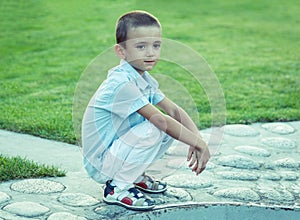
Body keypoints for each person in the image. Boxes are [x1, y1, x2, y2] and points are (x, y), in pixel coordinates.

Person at [82, 10, 210, 211]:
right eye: (141, 46)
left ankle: (134, 175)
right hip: (102, 163)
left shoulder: (143, 79)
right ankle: (116, 188)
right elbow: (160, 121)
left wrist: (197, 139)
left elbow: (174, 111)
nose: (150, 53)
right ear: (121, 51)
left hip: (115, 153)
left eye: (156, 45)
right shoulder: (121, 83)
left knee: (169, 129)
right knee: (157, 127)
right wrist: (197, 142)